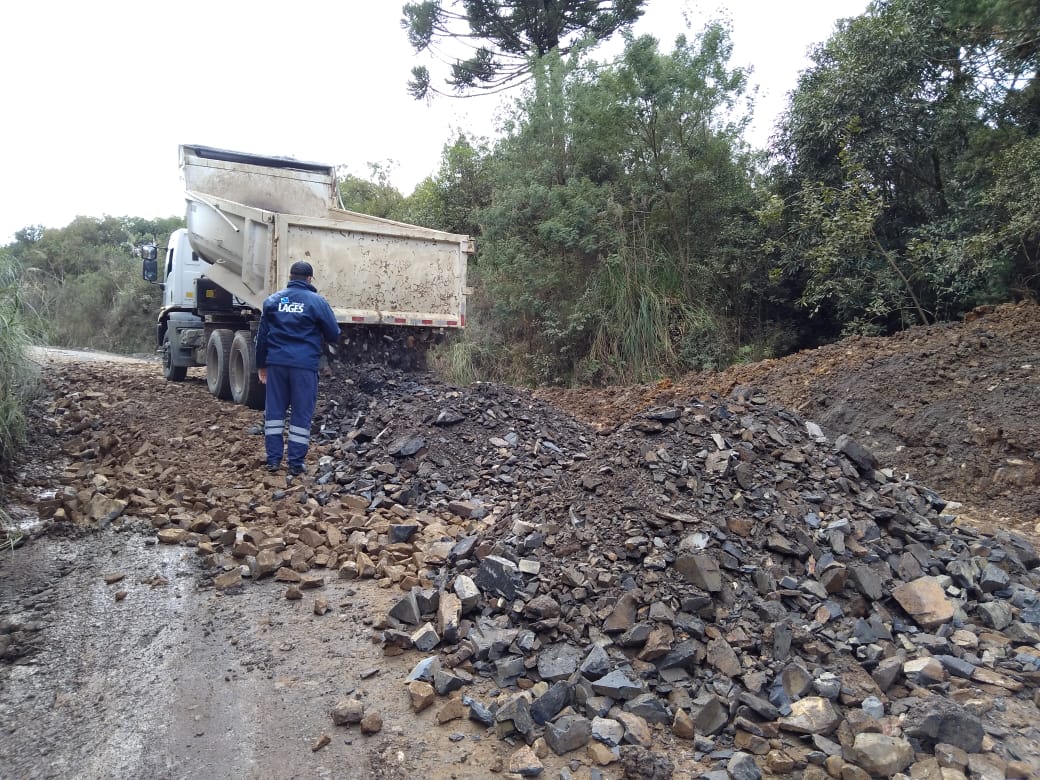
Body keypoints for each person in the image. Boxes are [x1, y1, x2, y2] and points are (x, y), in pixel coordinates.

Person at [255, 260, 341, 476]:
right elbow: (333, 333)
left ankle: (273, 460)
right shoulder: (316, 302)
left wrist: (261, 365)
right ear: (309, 279)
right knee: (301, 414)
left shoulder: (273, 301)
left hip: (276, 365)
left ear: (290, 277)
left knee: (274, 412)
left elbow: (261, 337)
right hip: (303, 366)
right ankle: (295, 463)